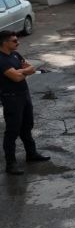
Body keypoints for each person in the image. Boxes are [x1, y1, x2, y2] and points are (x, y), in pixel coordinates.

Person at [0, 31, 50, 175]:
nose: (18, 42)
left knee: (27, 126)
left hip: (24, 95)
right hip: (11, 98)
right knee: (12, 131)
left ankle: (31, 154)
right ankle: (11, 164)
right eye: (15, 41)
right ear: (5, 42)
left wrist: (21, 71)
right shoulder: (1, 60)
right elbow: (16, 78)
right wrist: (24, 72)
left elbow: (32, 68)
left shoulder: (15, 55)